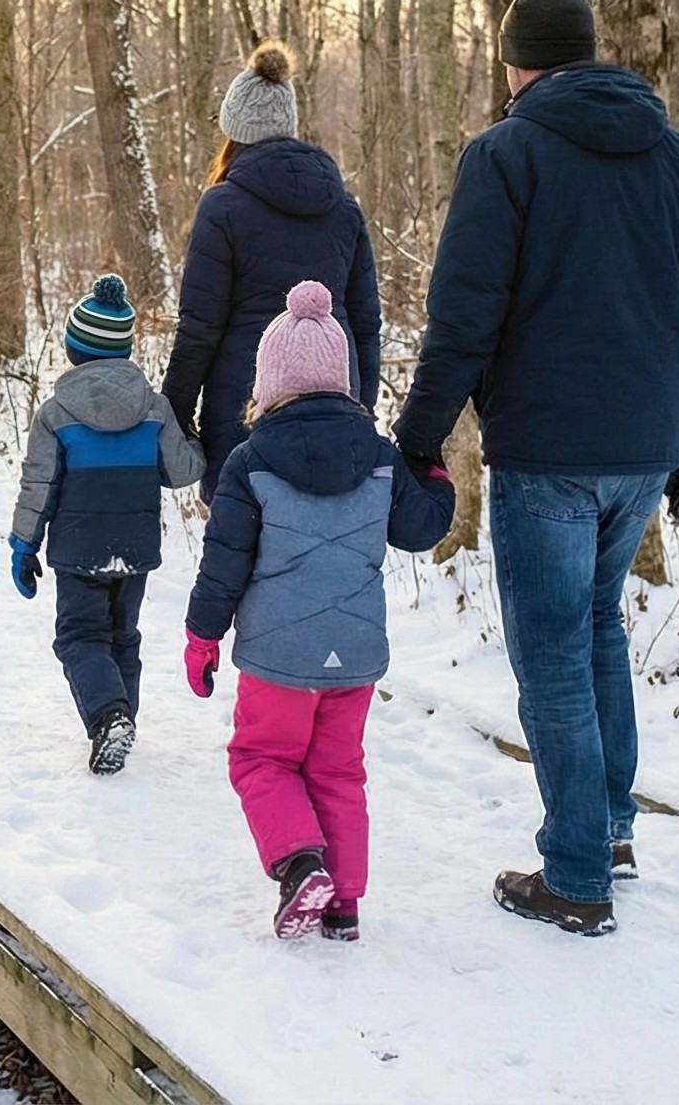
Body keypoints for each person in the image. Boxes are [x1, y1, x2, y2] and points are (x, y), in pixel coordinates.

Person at [393, 0, 679, 938]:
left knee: (552, 659)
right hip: (641, 452)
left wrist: (414, 442)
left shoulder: (505, 156)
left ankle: (578, 876)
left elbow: (462, 322)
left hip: (547, 450)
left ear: (516, 64)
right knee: (597, 630)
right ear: (588, 53)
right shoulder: (677, 159)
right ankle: (610, 830)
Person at [183, 283, 453, 941]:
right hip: (354, 657)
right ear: (343, 381)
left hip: (279, 657)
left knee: (261, 759)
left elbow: (224, 563)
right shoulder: (382, 458)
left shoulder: (249, 464)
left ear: (269, 382)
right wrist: (437, 476)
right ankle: (346, 904)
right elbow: (422, 530)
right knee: (337, 769)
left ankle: (301, 864)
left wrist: (201, 636)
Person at [163, 41, 384, 497]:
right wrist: (362, 406)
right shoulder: (344, 208)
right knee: (326, 547)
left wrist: (175, 410)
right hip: (336, 404)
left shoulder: (221, 206)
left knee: (242, 547)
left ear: (234, 134)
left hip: (246, 408)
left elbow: (200, 326)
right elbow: (366, 324)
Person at [11, 274, 206, 775]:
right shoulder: (155, 410)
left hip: (78, 551)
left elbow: (40, 483)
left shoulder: (55, 415)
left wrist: (22, 545)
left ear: (73, 350)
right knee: (123, 635)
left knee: (79, 637)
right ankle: (122, 722)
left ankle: (109, 718)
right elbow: (181, 471)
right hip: (135, 549)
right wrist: (199, 440)